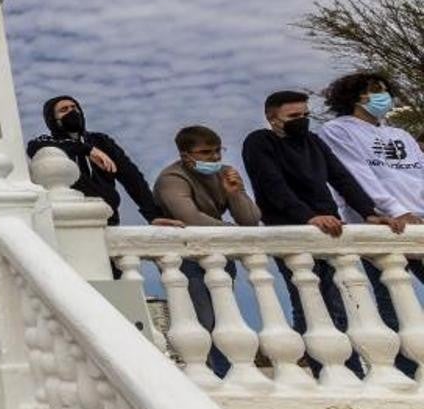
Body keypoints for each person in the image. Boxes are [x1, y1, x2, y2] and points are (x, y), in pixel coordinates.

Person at [242, 91, 383, 376]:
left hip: (327, 230)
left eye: (306, 115)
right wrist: (307, 216)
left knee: (336, 303)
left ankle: (347, 368)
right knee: (310, 300)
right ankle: (332, 370)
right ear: (273, 118)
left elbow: (341, 177)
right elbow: (271, 185)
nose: (302, 121)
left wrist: (368, 211)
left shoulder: (314, 142)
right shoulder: (260, 142)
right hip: (290, 230)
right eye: (294, 117)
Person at [318, 72, 424, 376]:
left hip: (419, 221)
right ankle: (403, 370)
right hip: (382, 224)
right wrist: (394, 209)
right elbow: (355, 174)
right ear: (354, 96)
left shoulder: (400, 136)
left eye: (385, 90)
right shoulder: (337, 130)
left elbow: (418, 173)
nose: (382, 96)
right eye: (374, 91)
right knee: (392, 296)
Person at [153, 126, 261, 377]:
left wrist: (235, 195)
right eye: (205, 152)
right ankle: (219, 374)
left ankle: (232, 370)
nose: (214, 158)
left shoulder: (225, 174)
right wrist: (231, 231)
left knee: (226, 316)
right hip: (186, 258)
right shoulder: (171, 179)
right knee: (205, 318)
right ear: (185, 155)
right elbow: (189, 217)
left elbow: (251, 220)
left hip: (219, 255)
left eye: (217, 151)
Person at [27, 96, 178, 227]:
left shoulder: (101, 141)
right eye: (64, 110)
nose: (72, 112)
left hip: (107, 218)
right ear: (54, 120)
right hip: (66, 217)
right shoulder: (46, 141)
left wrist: (153, 215)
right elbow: (34, 147)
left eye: (75, 108)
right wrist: (87, 150)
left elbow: (131, 177)